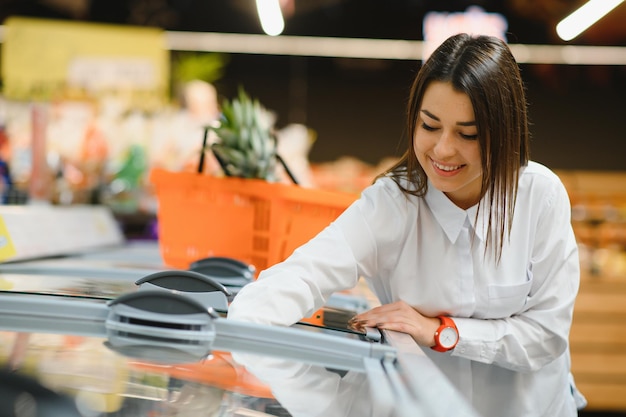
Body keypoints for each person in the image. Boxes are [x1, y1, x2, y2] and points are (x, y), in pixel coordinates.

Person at [227, 33, 585, 417]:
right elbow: (303, 276)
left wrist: (439, 331)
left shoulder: (539, 197)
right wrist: (241, 336)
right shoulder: (392, 203)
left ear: (504, 131)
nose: (443, 149)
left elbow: (544, 337)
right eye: (430, 126)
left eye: (468, 134)